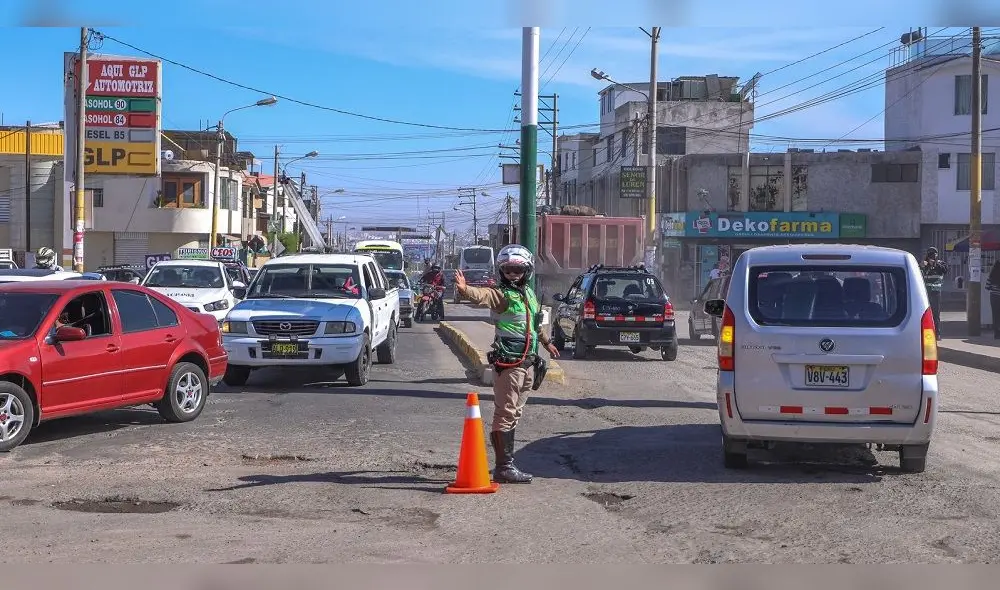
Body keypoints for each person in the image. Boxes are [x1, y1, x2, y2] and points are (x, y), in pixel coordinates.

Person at [454, 244, 560, 484]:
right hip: (510, 362)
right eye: (508, 270)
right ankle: (504, 467)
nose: (513, 274)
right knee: (506, 412)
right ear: (502, 271)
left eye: (518, 270)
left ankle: (506, 464)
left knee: (515, 412)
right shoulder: (501, 294)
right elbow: (483, 295)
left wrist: (547, 342)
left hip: (529, 362)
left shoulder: (529, 295)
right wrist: (464, 290)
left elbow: (534, 323)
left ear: (527, 271)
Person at [920, 246, 947, 340]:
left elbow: (945, 270)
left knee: (936, 314)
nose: (932, 256)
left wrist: (935, 263)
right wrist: (923, 266)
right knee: (925, 314)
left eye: (934, 254)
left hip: (935, 292)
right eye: (930, 254)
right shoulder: (924, 264)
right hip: (925, 293)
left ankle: (937, 334)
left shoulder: (940, 264)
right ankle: (925, 334)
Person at [986, 260, 1000, 340]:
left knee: (995, 315)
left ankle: (996, 333)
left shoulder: (992, 275)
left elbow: (987, 287)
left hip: (994, 297)